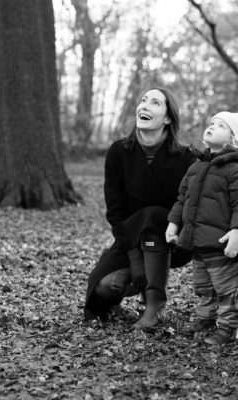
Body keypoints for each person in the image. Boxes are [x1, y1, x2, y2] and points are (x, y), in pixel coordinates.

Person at [84, 87, 197, 329]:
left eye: (155, 103)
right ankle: (127, 295)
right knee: (105, 286)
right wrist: (135, 259)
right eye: (143, 100)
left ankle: (155, 306)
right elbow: (115, 212)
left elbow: (191, 209)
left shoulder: (186, 158)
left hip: (171, 241)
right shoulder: (118, 152)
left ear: (167, 118)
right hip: (130, 240)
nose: (144, 106)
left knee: (152, 215)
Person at [166, 112, 238, 345]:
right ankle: (206, 318)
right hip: (198, 243)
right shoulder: (196, 168)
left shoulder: (236, 170)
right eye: (211, 123)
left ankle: (229, 328)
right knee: (203, 286)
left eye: (220, 126)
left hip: (220, 244)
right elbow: (182, 199)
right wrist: (173, 223)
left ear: (233, 140)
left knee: (226, 288)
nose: (211, 126)